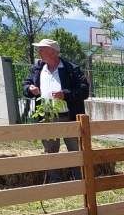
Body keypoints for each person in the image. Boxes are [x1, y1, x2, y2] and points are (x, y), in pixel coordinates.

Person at [21, 38, 89, 184]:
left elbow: (84, 91)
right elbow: (26, 84)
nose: (39, 53)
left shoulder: (71, 69)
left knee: (75, 151)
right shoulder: (37, 69)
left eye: (42, 50)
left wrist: (66, 94)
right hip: (47, 117)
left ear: (53, 52)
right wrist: (29, 89)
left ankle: (80, 180)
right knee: (50, 153)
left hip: (68, 117)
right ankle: (54, 181)